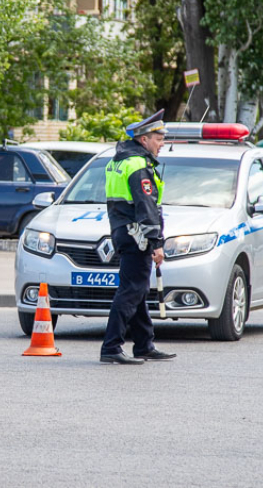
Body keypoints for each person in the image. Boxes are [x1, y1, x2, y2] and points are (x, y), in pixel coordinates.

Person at [100, 109, 176, 364]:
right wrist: (156, 244)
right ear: (144, 139)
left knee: (138, 291)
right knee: (131, 291)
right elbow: (146, 207)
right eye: (158, 138)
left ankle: (144, 345)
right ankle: (111, 347)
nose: (162, 143)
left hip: (123, 231)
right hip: (137, 235)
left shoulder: (120, 160)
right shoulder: (138, 165)